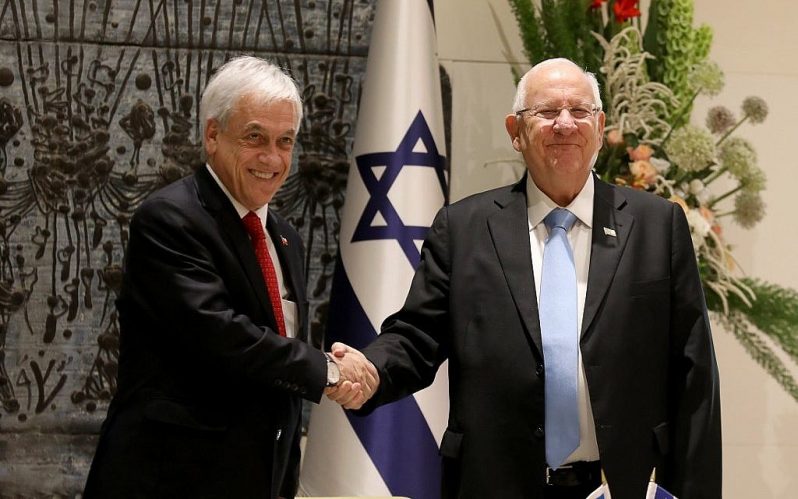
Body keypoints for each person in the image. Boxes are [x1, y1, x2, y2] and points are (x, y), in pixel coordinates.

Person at [327, 58, 721, 498]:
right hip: (495, 483)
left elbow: (695, 376)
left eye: (580, 111)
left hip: (624, 483)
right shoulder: (464, 229)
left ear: (600, 124)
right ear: (515, 130)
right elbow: (417, 336)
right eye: (547, 112)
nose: (565, 124)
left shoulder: (657, 225)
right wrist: (372, 370)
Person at [83, 56, 376, 499]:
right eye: (255, 137)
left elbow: (279, 368)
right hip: (169, 481)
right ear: (213, 135)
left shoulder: (284, 239)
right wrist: (330, 371)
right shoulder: (170, 220)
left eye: (285, 141)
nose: (272, 158)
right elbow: (224, 338)